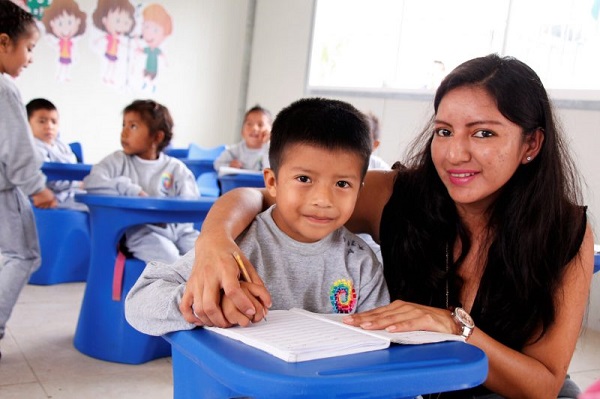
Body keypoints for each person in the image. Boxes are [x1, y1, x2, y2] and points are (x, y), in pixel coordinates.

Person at [179, 54, 595, 398]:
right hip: (409, 387)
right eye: (444, 131)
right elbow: (271, 197)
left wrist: (456, 327)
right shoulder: (397, 195)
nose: (455, 153)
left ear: (531, 144)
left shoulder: (565, 232)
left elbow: (543, 385)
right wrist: (215, 239)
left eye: (484, 133)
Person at [125, 97, 389, 335]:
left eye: (342, 184)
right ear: (272, 182)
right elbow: (139, 302)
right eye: (304, 179)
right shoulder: (237, 244)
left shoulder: (362, 263)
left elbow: (378, 338)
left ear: (359, 190)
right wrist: (208, 301)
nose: (323, 200)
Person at [0, 0, 57, 359]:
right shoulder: (5, 88)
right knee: (23, 255)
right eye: (30, 48)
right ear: (4, 42)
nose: (30, 57)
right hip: (5, 192)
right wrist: (37, 187)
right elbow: (17, 148)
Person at [83, 99, 200, 264]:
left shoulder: (176, 168)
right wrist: (127, 188)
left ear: (157, 137)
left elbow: (190, 202)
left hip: (179, 230)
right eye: (123, 125)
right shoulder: (118, 161)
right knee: (170, 258)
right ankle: (178, 288)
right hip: (139, 231)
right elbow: (91, 182)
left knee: (206, 253)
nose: (124, 133)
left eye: (133, 126)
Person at [26, 98, 86, 211]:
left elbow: (74, 167)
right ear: (27, 124)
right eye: (42, 121)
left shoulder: (62, 146)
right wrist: (78, 184)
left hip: (71, 193)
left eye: (54, 121)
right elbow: (49, 181)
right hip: (51, 199)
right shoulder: (32, 148)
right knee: (93, 210)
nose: (49, 126)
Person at [213, 105, 272, 172]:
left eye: (260, 125)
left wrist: (267, 143)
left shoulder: (271, 152)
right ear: (242, 132)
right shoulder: (234, 151)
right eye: (249, 124)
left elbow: (270, 171)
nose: (254, 128)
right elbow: (217, 164)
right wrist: (229, 165)